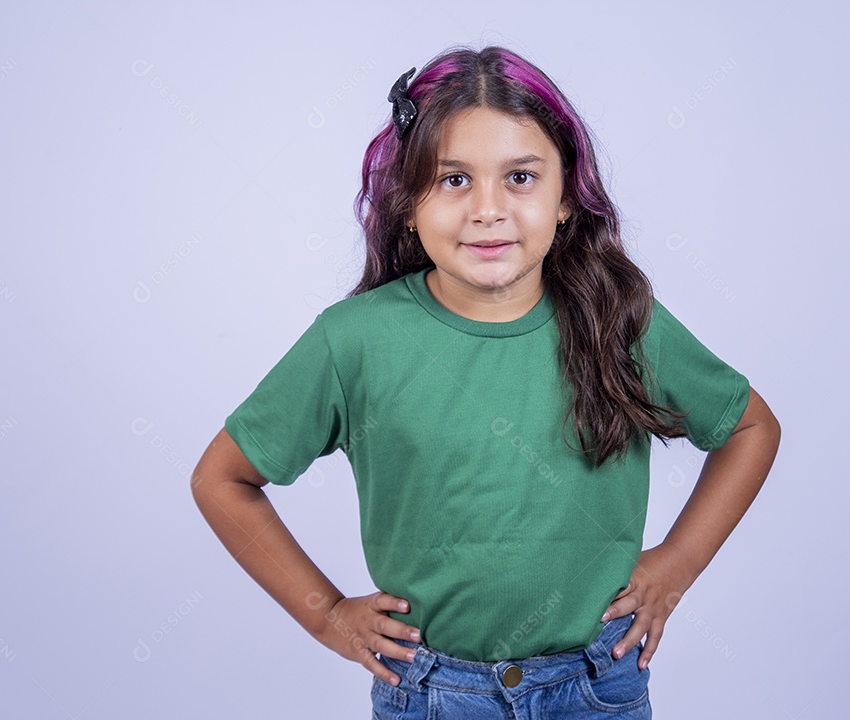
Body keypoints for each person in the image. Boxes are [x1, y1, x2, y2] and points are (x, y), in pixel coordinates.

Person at [191, 44, 781, 719]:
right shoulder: (353, 339)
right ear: (408, 203)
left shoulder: (618, 318)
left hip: (597, 686)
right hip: (432, 693)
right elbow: (222, 479)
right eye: (453, 180)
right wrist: (326, 614)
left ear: (566, 196)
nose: (488, 209)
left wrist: (675, 565)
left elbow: (750, 427)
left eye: (521, 178)